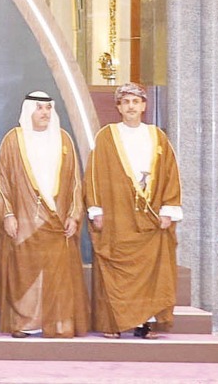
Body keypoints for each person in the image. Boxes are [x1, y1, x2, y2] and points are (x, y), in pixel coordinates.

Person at [85, 82, 182, 339]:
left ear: (144, 106)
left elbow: (171, 174)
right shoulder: (106, 136)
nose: (131, 106)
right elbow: (94, 174)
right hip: (118, 216)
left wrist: (168, 209)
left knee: (150, 271)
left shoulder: (157, 137)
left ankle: (145, 323)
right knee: (116, 271)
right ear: (118, 107)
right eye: (126, 102)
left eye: (135, 102)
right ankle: (114, 323)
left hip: (150, 217)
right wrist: (96, 209)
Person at [0, 92, 88, 338]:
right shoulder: (13, 141)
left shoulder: (64, 139)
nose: (44, 113)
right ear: (28, 111)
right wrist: (8, 215)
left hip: (58, 223)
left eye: (48, 108)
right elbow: (2, 181)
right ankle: (27, 323)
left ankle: (58, 324)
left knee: (59, 275)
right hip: (24, 222)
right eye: (39, 108)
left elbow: (76, 182)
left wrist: (74, 215)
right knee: (25, 273)